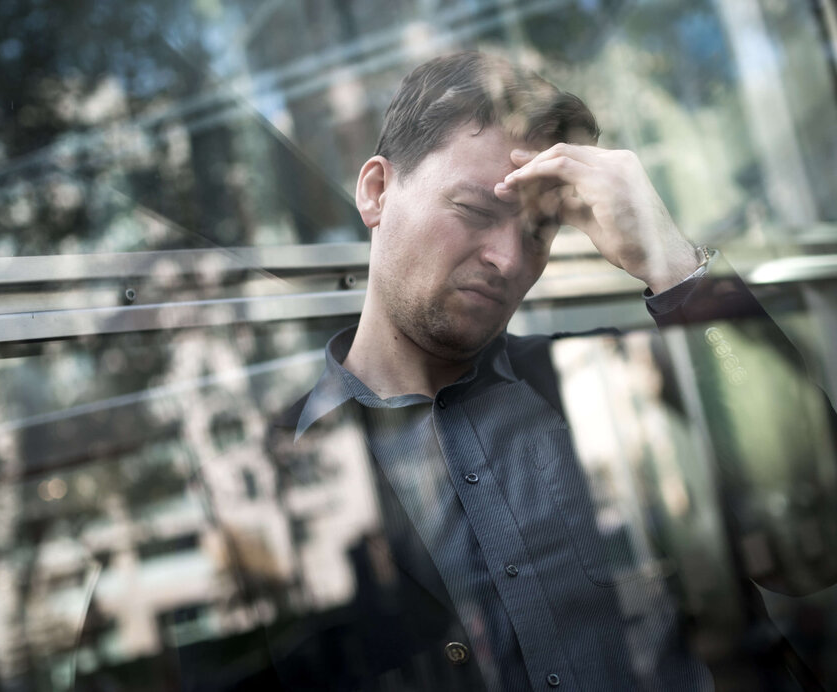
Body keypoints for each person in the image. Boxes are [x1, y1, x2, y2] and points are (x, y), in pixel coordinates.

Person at [193, 51, 836, 691]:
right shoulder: (288, 471)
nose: (507, 258)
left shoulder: (613, 382)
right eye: (474, 211)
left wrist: (671, 263)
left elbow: (817, 541)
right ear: (377, 192)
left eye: (538, 232)